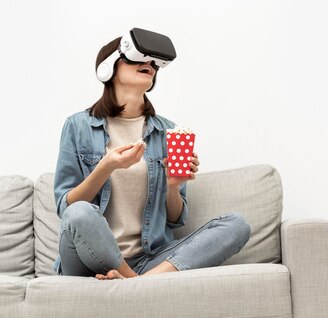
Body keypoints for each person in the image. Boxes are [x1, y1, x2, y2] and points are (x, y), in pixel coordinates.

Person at [52, 32, 251, 280]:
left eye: (153, 63)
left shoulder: (167, 131)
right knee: (80, 212)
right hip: (86, 259)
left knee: (236, 225)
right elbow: (67, 209)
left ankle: (139, 280)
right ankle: (137, 283)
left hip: (149, 258)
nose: (148, 65)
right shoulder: (77, 126)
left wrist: (172, 186)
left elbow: (176, 219)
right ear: (108, 68)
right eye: (136, 59)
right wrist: (106, 166)